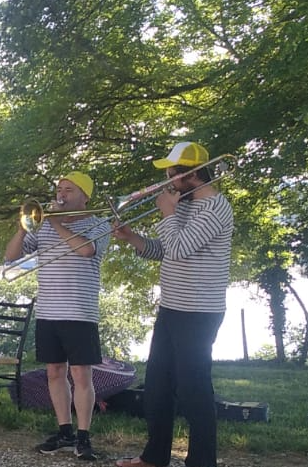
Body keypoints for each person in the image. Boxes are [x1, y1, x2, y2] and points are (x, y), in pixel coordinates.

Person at [112, 142, 232, 467]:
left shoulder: (216, 208)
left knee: (194, 389)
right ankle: (154, 456)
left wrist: (167, 212)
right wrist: (132, 237)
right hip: (171, 307)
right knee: (157, 386)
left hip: (199, 312)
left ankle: (202, 461)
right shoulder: (185, 206)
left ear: (191, 174)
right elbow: (164, 250)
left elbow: (179, 248)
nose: (166, 180)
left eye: (171, 174)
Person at [3, 172, 110, 460]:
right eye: (59, 189)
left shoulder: (99, 224)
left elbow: (86, 250)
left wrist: (55, 222)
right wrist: (24, 227)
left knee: (81, 376)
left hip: (80, 312)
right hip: (49, 312)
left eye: (69, 190)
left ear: (85, 196)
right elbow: (11, 257)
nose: (61, 195)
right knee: (54, 372)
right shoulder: (43, 227)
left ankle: (84, 436)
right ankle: (65, 431)